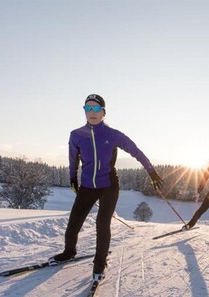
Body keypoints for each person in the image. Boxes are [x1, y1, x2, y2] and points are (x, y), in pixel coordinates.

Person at [50, 94, 163, 283]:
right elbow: (73, 159)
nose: (91, 112)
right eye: (87, 108)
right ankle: (69, 252)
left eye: (95, 109)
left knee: (102, 224)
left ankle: (99, 264)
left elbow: (136, 151)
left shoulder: (113, 135)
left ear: (103, 112)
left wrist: (152, 173)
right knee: (73, 225)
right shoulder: (76, 135)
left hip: (109, 186)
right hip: (87, 186)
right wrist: (72, 178)